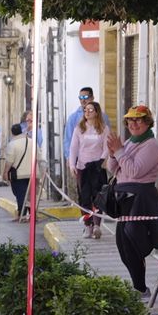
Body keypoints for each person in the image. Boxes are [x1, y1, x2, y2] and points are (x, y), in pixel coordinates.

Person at [105, 105, 158, 296]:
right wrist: (113, 152)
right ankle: (138, 285)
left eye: (138, 120)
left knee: (134, 243)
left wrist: (120, 151)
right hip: (124, 198)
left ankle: (140, 287)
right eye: (130, 120)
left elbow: (134, 171)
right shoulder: (130, 142)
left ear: (148, 122)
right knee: (123, 244)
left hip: (140, 199)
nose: (134, 124)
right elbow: (112, 167)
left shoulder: (152, 145)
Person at [69, 100, 109, 238]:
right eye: (85, 110)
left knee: (98, 197)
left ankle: (97, 225)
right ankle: (88, 225)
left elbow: (106, 147)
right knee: (84, 197)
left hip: (97, 167)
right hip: (83, 167)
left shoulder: (103, 129)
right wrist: (72, 165)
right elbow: (73, 148)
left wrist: (102, 160)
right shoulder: (79, 128)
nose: (87, 112)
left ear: (97, 112)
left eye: (91, 110)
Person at [63, 87, 109, 167]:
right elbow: (68, 140)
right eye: (80, 98)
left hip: (99, 162)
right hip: (79, 161)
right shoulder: (73, 118)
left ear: (92, 98)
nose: (83, 100)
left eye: (85, 97)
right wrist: (69, 158)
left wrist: (103, 159)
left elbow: (107, 140)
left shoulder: (103, 117)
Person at [0, 122, 33, 219]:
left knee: (20, 194)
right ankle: (31, 215)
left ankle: (21, 214)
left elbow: (10, 161)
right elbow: (39, 157)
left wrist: (5, 172)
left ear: (12, 133)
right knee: (30, 195)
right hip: (32, 173)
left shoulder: (12, 144)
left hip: (19, 175)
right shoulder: (31, 141)